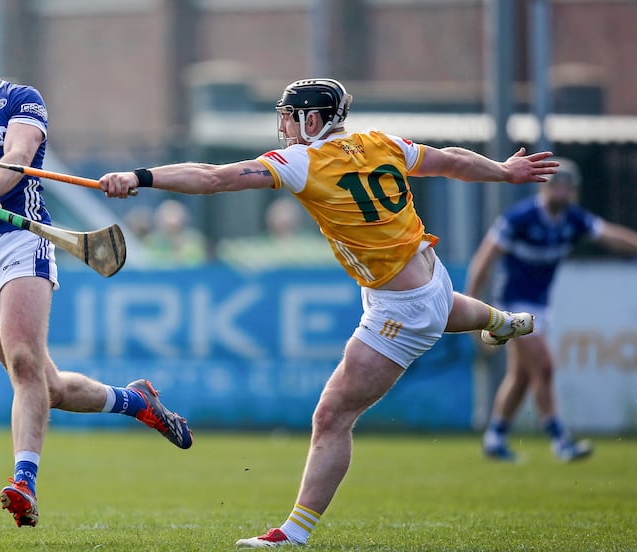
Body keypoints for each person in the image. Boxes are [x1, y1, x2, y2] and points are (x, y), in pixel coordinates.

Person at [99, 78, 558, 547]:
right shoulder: (381, 141)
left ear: (312, 120)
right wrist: (504, 171)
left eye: (290, 116)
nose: (284, 126)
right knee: (441, 308)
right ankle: (498, 321)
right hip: (429, 275)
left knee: (332, 416)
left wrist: (141, 176)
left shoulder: (302, 161)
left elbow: (213, 177)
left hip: (403, 306)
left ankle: (292, 534)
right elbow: (452, 160)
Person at [0, 13, 192, 528]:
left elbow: (19, 153)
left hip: (21, 238)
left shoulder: (22, 97)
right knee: (48, 386)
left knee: (23, 365)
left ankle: (24, 483)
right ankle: (135, 401)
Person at [466, 158, 637, 462]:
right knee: (544, 367)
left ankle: (495, 438)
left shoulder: (574, 220)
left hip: (541, 307)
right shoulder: (520, 218)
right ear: (543, 188)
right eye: (556, 185)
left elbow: (609, 236)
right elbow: (484, 259)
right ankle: (561, 441)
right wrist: (472, 306)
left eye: (568, 187)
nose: (562, 191)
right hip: (511, 305)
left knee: (521, 376)